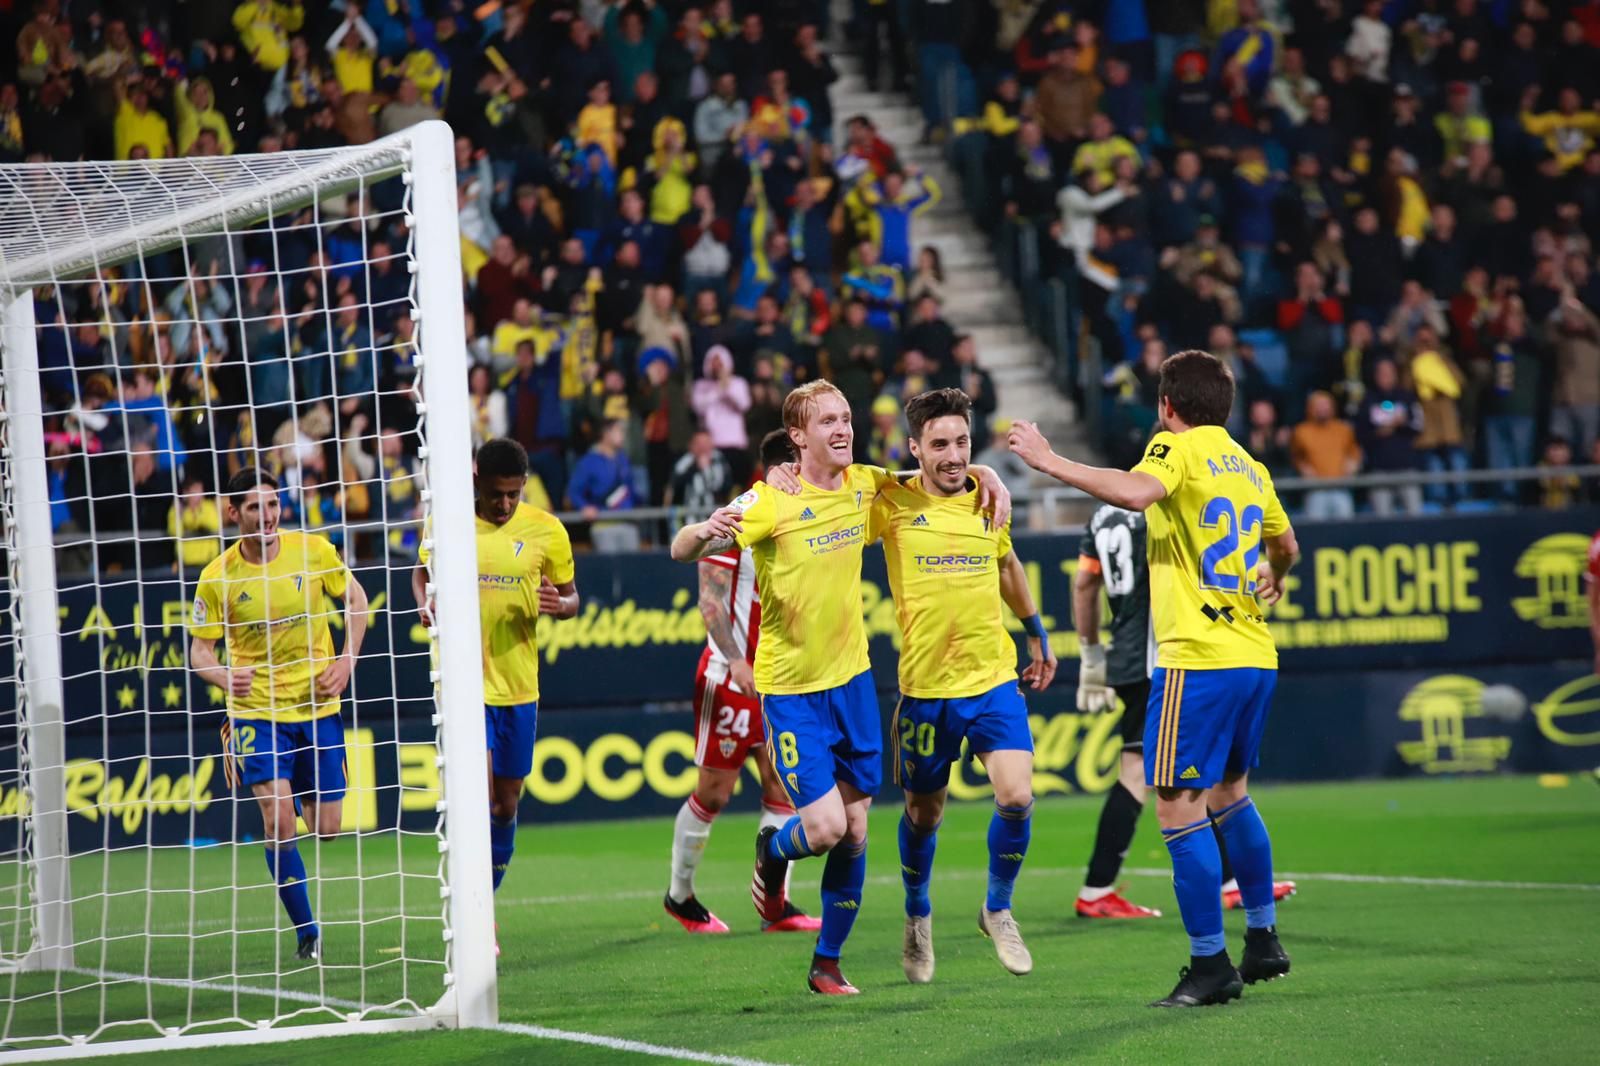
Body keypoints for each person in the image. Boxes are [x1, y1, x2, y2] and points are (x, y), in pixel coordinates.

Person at [670, 380, 1009, 995]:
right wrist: (703, 528)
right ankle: (774, 851)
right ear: (798, 436)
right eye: (827, 421)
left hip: (852, 685)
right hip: (793, 692)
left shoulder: (865, 484)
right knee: (824, 829)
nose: (842, 429)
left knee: (855, 830)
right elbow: (681, 548)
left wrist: (986, 472)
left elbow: (934, 475)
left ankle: (827, 962)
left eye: (846, 418)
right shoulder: (771, 500)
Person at [1009, 350, 1300, 1008]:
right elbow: (1286, 546)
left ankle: (1210, 964)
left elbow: (1136, 492)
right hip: (1254, 653)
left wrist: (1050, 461)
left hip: (1197, 658)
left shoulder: (1173, 448)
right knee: (1231, 794)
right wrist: (1275, 576)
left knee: (1176, 805)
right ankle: (1262, 938)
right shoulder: (1249, 466)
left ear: (1167, 407)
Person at [876, 388, 1056, 985]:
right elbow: (838, 487)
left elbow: (1007, 565)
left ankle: (997, 908)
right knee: (923, 816)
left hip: (991, 679)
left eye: (962, 443)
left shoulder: (987, 498)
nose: (954, 456)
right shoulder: (891, 503)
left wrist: (1036, 633)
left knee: (1017, 796)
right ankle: (916, 912)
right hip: (926, 690)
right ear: (914, 448)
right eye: (939, 445)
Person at [1075, 501, 1297, 919]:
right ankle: (1097, 889)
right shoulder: (1159, 504)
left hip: (1126, 652)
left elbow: (1085, 584)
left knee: (1182, 765)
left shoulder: (1104, 514)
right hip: (1163, 656)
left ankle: (1228, 882)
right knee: (1152, 771)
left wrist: (1091, 656)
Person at [190, 467, 369, 962]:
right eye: (255, 507)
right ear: (234, 513)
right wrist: (224, 676)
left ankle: (293, 827)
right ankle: (307, 933)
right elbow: (199, 652)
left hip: (316, 706)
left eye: (272, 504)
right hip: (255, 713)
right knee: (278, 820)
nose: (267, 516)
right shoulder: (217, 577)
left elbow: (356, 600)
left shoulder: (314, 551)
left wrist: (346, 660)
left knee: (327, 828)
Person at [663, 431, 820, 936]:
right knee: (714, 793)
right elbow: (710, 600)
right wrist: (735, 660)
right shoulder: (740, 515)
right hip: (729, 678)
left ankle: (776, 904)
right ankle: (680, 896)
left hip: (778, 678)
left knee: (782, 786)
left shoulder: (806, 515)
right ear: (785, 467)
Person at [412, 439, 579, 913]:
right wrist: (425, 601)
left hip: (518, 684)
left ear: (523, 485)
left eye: (513, 494)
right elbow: (421, 574)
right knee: (478, 799)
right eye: (495, 494)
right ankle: (476, 915)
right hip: (464, 686)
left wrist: (560, 605)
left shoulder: (547, 530)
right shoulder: (447, 524)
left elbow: (572, 597)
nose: (504, 504)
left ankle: (485, 901)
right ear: (476, 482)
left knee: (505, 804)